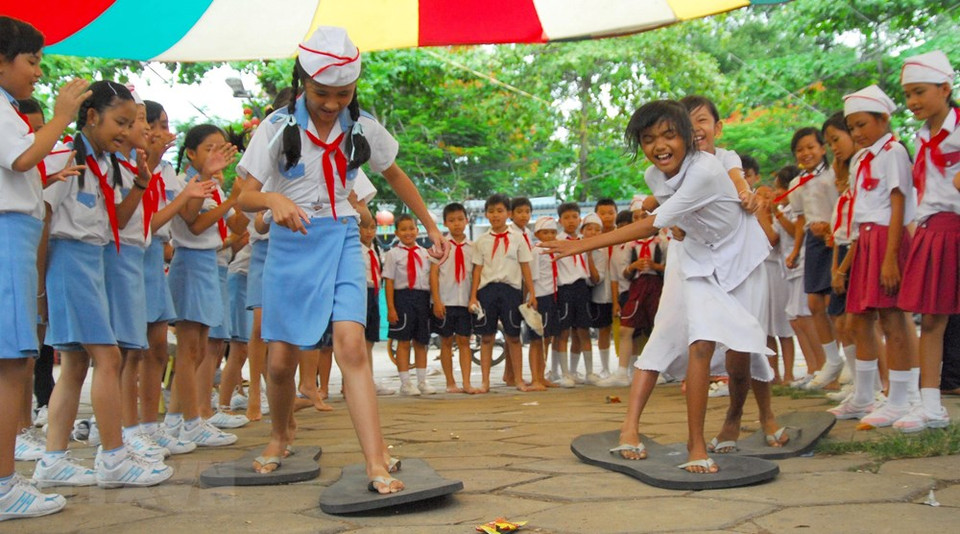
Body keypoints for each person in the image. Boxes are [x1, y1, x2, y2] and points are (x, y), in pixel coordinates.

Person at [236, 26, 447, 493]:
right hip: (291, 246)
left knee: (351, 345)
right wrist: (272, 199)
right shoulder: (275, 127)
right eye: (321, 93)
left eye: (343, 93)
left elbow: (395, 174)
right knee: (280, 362)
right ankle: (280, 434)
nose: (332, 104)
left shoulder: (363, 125)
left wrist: (430, 225)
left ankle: (375, 462)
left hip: (343, 240)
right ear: (302, 82)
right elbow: (244, 198)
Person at [541, 100, 776, 473]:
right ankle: (695, 444)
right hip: (700, 259)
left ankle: (740, 418)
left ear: (688, 136)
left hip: (742, 258)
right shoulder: (654, 176)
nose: (659, 146)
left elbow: (653, 223)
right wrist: (672, 220)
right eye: (648, 139)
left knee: (742, 349)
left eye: (669, 135)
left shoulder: (707, 169)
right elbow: (665, 213)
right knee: (701, 343)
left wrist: (580, 245)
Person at [38, 80, 173, 488]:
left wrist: (141, 184)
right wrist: (39, 287)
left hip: (94, 262)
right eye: (121, 122)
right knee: (108, 358)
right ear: (92, 116)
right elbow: (44, 219)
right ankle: (114, 456)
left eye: (131, 123)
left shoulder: (108, 166)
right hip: (69, 261)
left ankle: (53, 459)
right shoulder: (66, 157)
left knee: (76, 364)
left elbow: (118, 218)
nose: (126, 131)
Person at [0, 15, 87, 518]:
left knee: (13, 360)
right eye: (31, 61)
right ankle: (3, 484)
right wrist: (60, 116)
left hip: (16, 234)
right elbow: (20, 160)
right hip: (9, 237)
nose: (37, 72)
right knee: (12, 361)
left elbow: (23, 167)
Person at [832, 85, 920, 427]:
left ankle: (900, 398)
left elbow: (898, 204)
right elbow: (859, 213)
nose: (856, 133)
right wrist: (851, 260)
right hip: (865, 241)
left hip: (886, 239)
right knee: (858, 320)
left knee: (892, 320)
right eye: (851, 127)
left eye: (862, 125)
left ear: (883, 119)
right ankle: (865, 395)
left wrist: (891, 257)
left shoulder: (893, 152)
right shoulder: (860, 159)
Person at [104, 86, 173, 460]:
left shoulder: (140, 169)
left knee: (141, 348)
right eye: (139, 121)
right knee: (123, 352)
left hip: (140, 255)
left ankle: (139, 428)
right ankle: (122, 433)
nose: (147, 129)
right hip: (121, 256)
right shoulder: (117, 167)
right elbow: (123, 219)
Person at [140, 100, 213, 453]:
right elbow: (187, 221)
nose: (162, 132)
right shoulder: (136, 166)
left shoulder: (168, 171)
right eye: (154, 124)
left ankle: (156, 425)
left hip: (157, 255)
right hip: (146, 255)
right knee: (133, 352)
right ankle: (138, 429)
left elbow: (186, 210)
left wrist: (206, 180)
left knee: (163, 349)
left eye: (166, 124)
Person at [163, 124, 241, 447]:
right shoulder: (188, 183)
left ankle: (179, 418)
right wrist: (229, 198)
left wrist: (246, 191)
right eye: (209, 149)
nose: (216, 155)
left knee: (200, 347)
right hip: (190, 262)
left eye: (221, 148)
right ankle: (189, 420)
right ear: (191, 154)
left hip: (209, 263)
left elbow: (238, 223)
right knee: (189, 348)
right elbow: (193, 224)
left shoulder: (214, 186)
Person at [894, 51, 959, 431]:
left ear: (945, 88)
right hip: (934, 229)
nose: (913, 101)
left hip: (955, 224)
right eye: (907, 94)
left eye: (919, 92)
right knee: (932, 319)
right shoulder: (921, 137)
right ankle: (931, 406)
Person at [783, 127, 845, 391]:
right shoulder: (796, 184)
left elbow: (844, 206)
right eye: (800, 149)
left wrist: (831, 229)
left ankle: (845, 363)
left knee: (835, 304)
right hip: (813, 242)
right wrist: (796, 251)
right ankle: (831, 360)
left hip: (836, 238)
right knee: (814, 303)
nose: (806, 153)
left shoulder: (834, 175)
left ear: (822, 148)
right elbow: (800, 220)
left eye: (810, 147)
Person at [469, 193, 537, 392]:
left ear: (508, 213)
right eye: (491, 211)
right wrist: (473, 296)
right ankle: (485, 382)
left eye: (500, 211)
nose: (495, 215)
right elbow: (477, 270)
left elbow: (525, 267)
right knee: (486, 337)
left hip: (511, 291)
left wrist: (531, 293)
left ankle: (518, 380)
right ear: (486, 215)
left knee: (513, 336)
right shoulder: (481, 241)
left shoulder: (518, 239)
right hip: (487, 291)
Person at [823, 112, 864, 402]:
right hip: (843, 254)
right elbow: (840, 233)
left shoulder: (866, 171)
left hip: (858, 251)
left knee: (862, 324)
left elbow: (858, 231)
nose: (834, 148)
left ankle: (882, 388)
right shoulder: (842, 192)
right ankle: (860, 387)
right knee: (841, 322)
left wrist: (843, 268)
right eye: (831, 143)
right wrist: (836, 267)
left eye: (837, 140)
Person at [384, 214, 434, 396]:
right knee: (403, 341)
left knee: (421, 341)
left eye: (411, 228)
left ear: (417, 230)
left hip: (422, 298)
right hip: (403, 298)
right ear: (396, 232)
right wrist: (391, 307)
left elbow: (431, 278)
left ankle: (422, 381)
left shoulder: (425, 253)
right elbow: (389, 281)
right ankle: (405, 383)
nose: (408, 233)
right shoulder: (393, 254)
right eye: (403, 229)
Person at [430, 203, 475, 393]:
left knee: (464, 341)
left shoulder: (473, 247)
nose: (456, 224)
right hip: (445, 301)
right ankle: (450, 382)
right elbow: (434, 274)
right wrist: (436, 300)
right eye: (451, 220)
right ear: (445, 223)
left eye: (460, 219)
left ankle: (467, 382)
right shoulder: (440, 246)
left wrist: (474, 299)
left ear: (466, 220)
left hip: (465, 301)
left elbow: (476, 275)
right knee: (446, 341)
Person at [755, 184, 795, 384]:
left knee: (783, 326)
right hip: (760, 273)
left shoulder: (778, 217)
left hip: (776, 272)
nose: (761, 199)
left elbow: (772, 239)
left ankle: (789, 373)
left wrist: (765, 214)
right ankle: (773, 373)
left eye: (765, 195)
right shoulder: (752, 219)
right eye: (758, 195)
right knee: (767, 328)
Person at [552, 201, 595, 386]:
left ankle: (588, 372)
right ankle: (564, 373)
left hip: (582, 288)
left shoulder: (584, 241)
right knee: (563, 332)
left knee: (583, 331)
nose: (571, 221)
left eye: (574, 217)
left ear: (580, 219)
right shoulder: (557, 242)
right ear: (560, 221)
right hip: (565, 289)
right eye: (566, 217)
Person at [528, 216, 560, 389]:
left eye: (553, 232)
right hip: (540, 297)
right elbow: (532, 277)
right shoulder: (536, 251)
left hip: (552, 296)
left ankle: (542, 375)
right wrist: (532, 297)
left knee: (547, 339)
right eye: (545, 232)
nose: (549, 236)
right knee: (536, 340)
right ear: (537, 234)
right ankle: (534, 378)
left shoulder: (554, 250)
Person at [592, 198, 620, 378]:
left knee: (624, 329)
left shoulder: (623, 235)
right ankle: (604, 368)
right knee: (603, 329)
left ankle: (625, 366)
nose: (607, 217)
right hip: (601, 291)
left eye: (611, 213)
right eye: (602, 213)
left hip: (621, 289)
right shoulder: (594, 238)